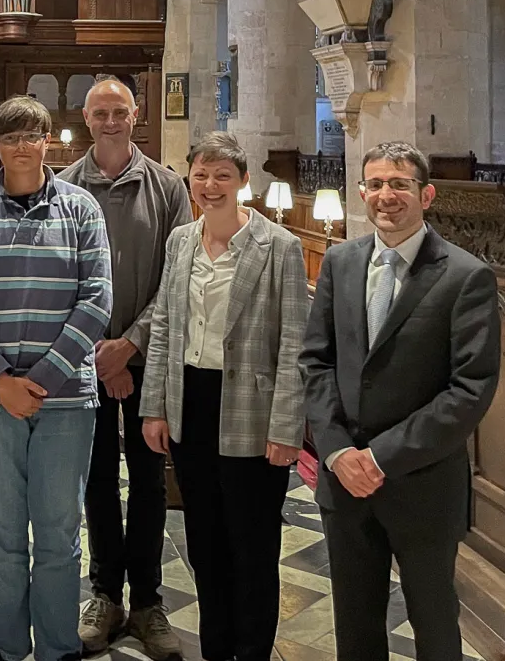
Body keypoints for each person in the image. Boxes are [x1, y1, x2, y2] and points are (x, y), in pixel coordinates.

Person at [299, 141, 501, 661]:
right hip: (345, 485)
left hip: (422, 484)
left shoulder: (464, 275)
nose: (386, 195)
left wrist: (381, 457)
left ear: (426, 194)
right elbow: (316, 363)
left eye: (400, 184)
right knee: (356, 627)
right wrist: (340, 452)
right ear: (362, 192)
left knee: (434, 627)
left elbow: (470, 388)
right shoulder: (341, 262)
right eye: (375, 184)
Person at [0, 94, 112, 661]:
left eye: (31, 136)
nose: (21, 146)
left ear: (48, 141)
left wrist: (40, 378)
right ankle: (6, 645)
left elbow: (97, 298)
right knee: (1, 537)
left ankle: (59, 647)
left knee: (60, 536)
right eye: (9, 137)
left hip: (65, 400)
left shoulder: (82, 207)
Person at [141, 133, 308, 661]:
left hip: (253, 412)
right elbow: (165, 325)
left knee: (253, 546)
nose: (210, 186)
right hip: (192, 401)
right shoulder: (180, 242)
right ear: (189, 179)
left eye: (222, 176)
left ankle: (253, 649)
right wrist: (155, 406)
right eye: (201, 175)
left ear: (242, 182)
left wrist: (286, 429)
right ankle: (216, 647)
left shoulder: (279, 246)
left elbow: (294, 344)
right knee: (205, 543)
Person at [59, 78, 191, 658]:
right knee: (94, 479)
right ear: (86, 118)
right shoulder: (61, 188)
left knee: (146, 479)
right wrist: (99, 349)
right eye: (100, 112)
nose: (111, 121)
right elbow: (59, 281)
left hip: (148, 359)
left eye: (120, 111)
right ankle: (105, 594)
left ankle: (148, 601)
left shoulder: (167, 188)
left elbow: (177, 277)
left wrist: (129, 346)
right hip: (85, 360)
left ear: (136, 116)